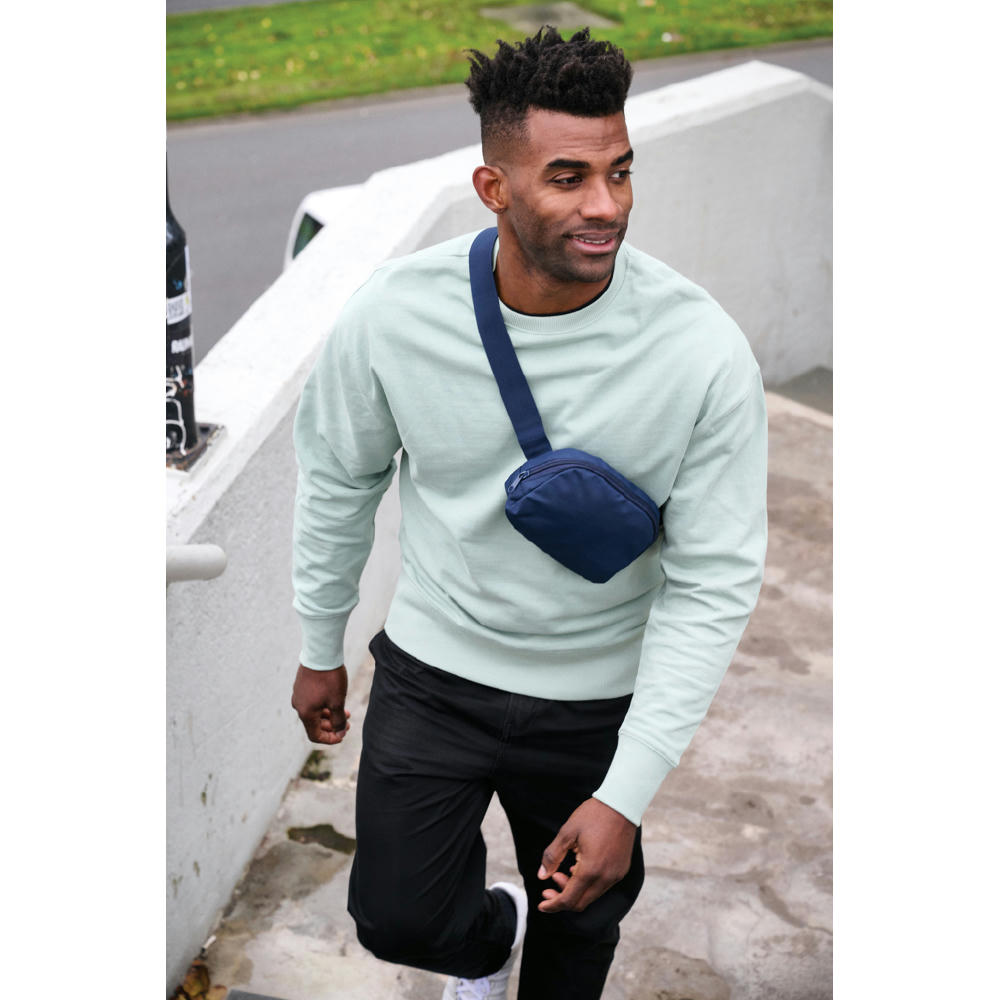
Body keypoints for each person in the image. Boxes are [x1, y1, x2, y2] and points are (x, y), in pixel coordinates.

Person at [290, 26, 767, 1000]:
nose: (606, 206)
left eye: (620, 171)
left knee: (581, 926)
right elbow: (339, 481)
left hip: (597, 696)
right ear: (494, 188)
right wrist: (318, 641)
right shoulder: (393, 317)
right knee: (398, 918)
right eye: (567, 178)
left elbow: (712, 582)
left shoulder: (701, 350)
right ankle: (489, 936)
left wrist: (624, 793)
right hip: (435, 669)